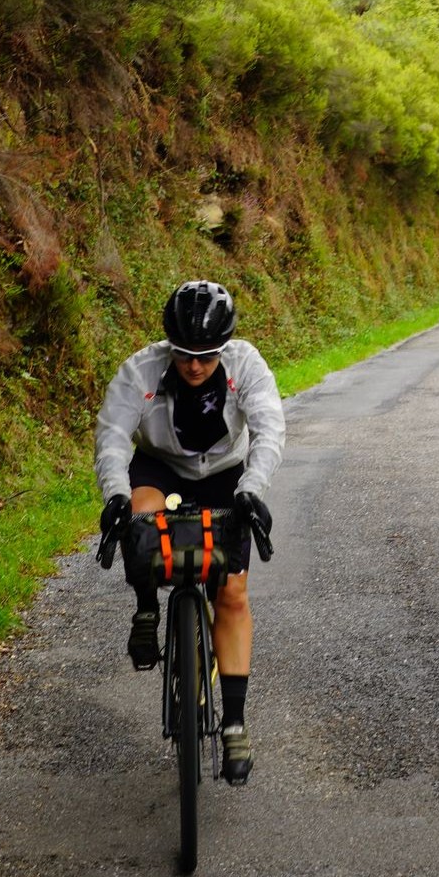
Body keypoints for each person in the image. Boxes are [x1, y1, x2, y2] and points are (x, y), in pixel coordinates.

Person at [94, 280, 285, 784]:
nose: (194, 365)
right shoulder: (142, 370)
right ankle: (147, 607)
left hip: (226, 473)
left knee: (233, 593)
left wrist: (253, 489)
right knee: (141, 519)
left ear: (224, 348)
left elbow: (270, 428)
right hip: (161, 466)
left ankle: (236, 723)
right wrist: (115, 493)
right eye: (183, 355)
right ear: (168, 346)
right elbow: (113, 435)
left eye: (206, 355)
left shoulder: (246, 366)